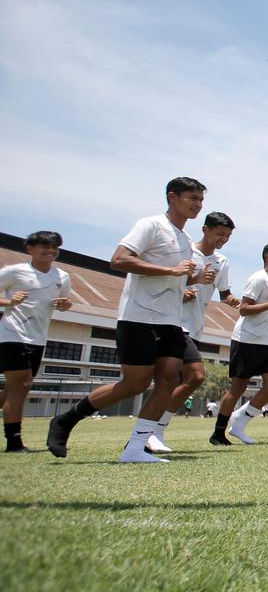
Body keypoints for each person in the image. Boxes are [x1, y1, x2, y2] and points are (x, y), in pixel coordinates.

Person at [47, 177, 205, 462]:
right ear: (172, 197)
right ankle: (66, 419)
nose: (198, 205)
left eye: (200, 200)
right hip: (139, 317)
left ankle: (135, 448)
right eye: (192, 198)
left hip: (171, 321)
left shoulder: (186, 240)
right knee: (135, 384)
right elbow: (119, 260)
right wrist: (171, 272)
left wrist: (193, 278)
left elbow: (174, 274)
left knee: (168, 381)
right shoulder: (150, 225)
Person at [147, 211, 240, 454]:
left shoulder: (222, 262)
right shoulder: (186, 250)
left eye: (228, 236)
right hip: (174, 322)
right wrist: (183, 289)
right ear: (205, 229)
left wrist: (232, 300)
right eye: (220, 234)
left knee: (175, 381)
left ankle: (150, 431)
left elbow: (224, 293)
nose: (223, 239)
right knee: (195, 376)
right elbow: (166, 279)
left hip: (196, 326)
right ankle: (153, 430)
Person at [210, 243, 268, 445]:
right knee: (238, 388)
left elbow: (264, 309)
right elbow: (245, 309)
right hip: (246, 339)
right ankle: (218, 433)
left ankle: (239, 422)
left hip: (265, 341)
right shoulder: (258, 279)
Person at [0, 231, 73, 453]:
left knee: (15, 388)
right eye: (45, 246)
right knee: (22, 385)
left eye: (55, 247)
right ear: (30, 249)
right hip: (12, 333)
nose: (50, 251)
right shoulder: (14, 272)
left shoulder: (62, 276)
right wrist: (9, 301)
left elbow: (66, 302)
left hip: (38, 337)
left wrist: (64, 305)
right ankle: (14, 443)